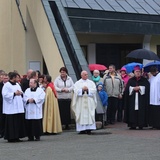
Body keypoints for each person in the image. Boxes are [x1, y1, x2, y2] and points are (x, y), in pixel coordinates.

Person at [124, 65, 150, 130]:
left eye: (139, 71)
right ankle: (133, 124)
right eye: (136, 71)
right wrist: (132, 89)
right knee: (132, 111)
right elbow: (127, 89)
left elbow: (147, 88)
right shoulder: (130, 80)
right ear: (134, 72)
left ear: (141, 72)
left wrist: (140, 88)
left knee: (141, 111)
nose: (138, 73)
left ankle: (141, 124)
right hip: (132, 99)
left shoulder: (144, 80)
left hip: (141, 99)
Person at [2, 72, 26, 142]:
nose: (18, 78)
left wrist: (20, 93)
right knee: (11, 123)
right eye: (17, 77)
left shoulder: (17, 84)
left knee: (17, 122)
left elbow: (21, 92)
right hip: (11, 107)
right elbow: (5, 95)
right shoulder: (7, 85)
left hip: (18, 107)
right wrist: (14, 93)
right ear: (13, 77)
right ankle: (11, 137)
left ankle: (17, 136)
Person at [72, 71, 97, 135]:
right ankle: (82, 129)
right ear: (81, 75)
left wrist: (88, 90)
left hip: (89, 101)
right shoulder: (77, 83)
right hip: (81, 101)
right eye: (85, 74)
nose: (86, 76)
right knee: (81, 114)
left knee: (89, 114)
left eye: (87, 74)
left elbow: (94, 90)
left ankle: (89, 129)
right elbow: (75, 91)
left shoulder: (91, 83)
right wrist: (82, 90)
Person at [0, 73, 9, 138]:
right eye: (4, 78)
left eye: (6, 78)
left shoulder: (9, 85)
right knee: (1, 119)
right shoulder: (0, 85)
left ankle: (6, 132)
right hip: (1, 104)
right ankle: (1, 132)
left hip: (8, 104)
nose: (5, 79)